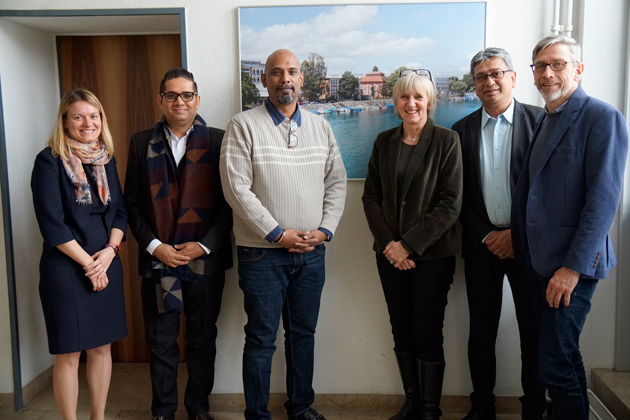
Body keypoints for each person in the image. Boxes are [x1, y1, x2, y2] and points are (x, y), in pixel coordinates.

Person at [220, 49, 347, 420]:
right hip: (262, 254)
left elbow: (337, 182)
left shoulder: (321, 126)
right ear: (265, 80)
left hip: (311, 253)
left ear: (302, 80)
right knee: (260, 340)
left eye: (292, 72)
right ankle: (257, 415)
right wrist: (278, 234)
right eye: (276, 73)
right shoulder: (243, 125)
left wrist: (324, 231)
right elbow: (236, 189)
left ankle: (301, 409)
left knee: (302, 336)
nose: (285, 79)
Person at [511, 35, 628, 420]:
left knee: (554, 367)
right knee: (565, 359)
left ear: (577, 69)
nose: (547, 73)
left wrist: (572, 268)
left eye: (557, 64)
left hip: (569, 267)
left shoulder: (602, 116)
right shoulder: (547, 117)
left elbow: (603, 202)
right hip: (538, 262)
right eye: (540, 66)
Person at [124, 67, 233, 420]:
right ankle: (163, 412)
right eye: (171, 95)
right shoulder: (141, 143)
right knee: (161, 342)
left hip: (205, 261)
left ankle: (198, 409)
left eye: (187, 95)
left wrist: (203, 246)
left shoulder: (219, 140)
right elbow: (132, 204)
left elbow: (232, 203)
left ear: (197, 99)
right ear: (161, 100)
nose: (179, 101)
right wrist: (155, 246)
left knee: (202, 340)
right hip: (160, 263)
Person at [362, 70, 463, 420]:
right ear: (395, 102)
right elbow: (371, 198)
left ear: (430, 101)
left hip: (432, 257)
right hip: (388, 256)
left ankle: (431, 411)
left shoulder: (447, 141)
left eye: (419, 96)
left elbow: (450, 205)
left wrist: (409, 245)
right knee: (400, 328)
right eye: (404, 97)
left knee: (427, 331)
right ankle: (412, 404)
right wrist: (390, 245)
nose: (411, 103)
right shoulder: (384, 142)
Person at [451, 48, 546, 420]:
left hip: (531, 249)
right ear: (473, 84)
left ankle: (534, 409)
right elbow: (456, 195)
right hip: (480, 247)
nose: (489, 82)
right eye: (480, 77)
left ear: (513, 76)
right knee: (481, 333)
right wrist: (488, 235)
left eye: (496, 74)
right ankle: (482, 408)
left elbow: (547, 193)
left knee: (533, 333)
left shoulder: (542, 123)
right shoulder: (460, 131)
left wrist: (514, 236)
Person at [31, 88, 128, 420]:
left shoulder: (107, 158)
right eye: (78, 116)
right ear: (65, 121)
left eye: (94, 115)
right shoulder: (49, 161)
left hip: (106, 263)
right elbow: (53, 224)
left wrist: (110, 253)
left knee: (102, 349)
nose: (88, 123)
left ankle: (97, 417)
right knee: (69, 353)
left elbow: (120, 213)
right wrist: (90, 264)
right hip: (67, 269)